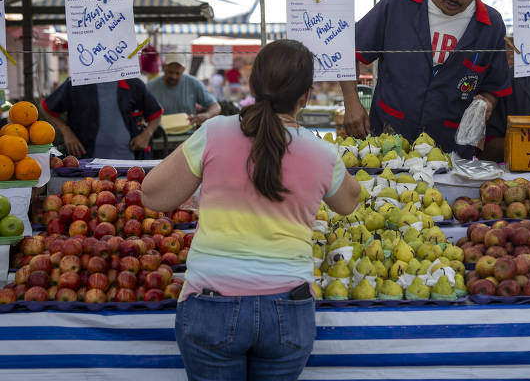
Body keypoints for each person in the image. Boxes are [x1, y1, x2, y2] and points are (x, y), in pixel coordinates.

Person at [142, 40, 360, 381]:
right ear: (305, 96)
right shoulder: (322, 154)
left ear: (252, 86)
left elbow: (153, 195)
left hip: (212, 304)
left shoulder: (215, 133)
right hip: (289, 309)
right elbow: (349, 202)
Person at [341, 0, 511, 158]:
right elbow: (347, 50)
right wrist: (351, 102)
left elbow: (495, 87)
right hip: (387, 142)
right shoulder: (397, 4)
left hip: (450, 150)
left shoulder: (491, 25)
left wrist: (487, 102)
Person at [40, 78, 163, 159]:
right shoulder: (76, 82)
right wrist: (66, 131)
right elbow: (46, 108)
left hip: (131, 163)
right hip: (85, 164)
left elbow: (156, 113)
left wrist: (147, 133)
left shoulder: (134, 84)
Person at [147, 53, 221, 127]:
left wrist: (207, 115)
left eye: (178, 73)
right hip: (160, 132)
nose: (173, 76)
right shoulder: (150, 87)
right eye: (170, 72)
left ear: (183, 70)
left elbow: (216, 106)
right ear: (163, 68)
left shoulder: (194, 83)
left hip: (189, 132)